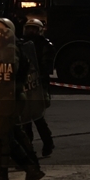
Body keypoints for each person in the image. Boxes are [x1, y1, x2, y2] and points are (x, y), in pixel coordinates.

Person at [0, 18, 45, 180]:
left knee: (1, 137)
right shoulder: (1, 48)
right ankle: (32, 169)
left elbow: (8, 72)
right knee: (13, 134)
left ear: (6, 33)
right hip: (5, 97)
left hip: (9, 97)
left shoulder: (9, 49)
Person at [21, 18, 55, 157]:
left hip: (38, 85)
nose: (30, 31)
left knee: (37, 117)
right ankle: (28, 148)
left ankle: (48, 143)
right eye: (29, 28)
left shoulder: (45, 45)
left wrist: (37, 75)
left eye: (33, 28)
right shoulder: (22, 43)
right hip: (25, 83)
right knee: (25, 119)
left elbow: (46, 66)